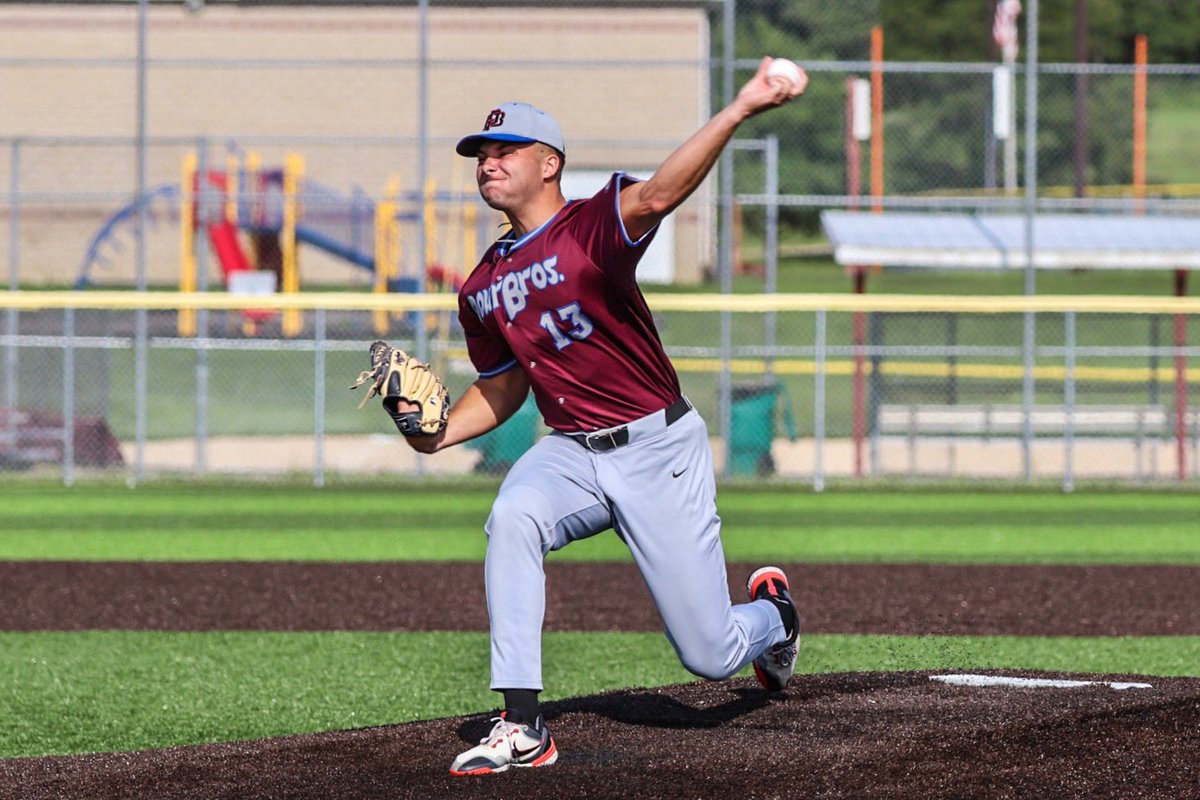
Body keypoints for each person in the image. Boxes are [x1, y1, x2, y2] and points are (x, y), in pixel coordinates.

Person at [397, 57, 807, 776]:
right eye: (481, 155)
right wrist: (434, 434)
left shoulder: (591, 226)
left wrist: (740, 108)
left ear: (549, 163)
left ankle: (776, 618)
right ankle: (522, 723)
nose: (487, 163)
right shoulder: (484, 284)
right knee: (514, 515)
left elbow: (658, 194)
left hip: (657, 448)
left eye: (504, 151)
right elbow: (500, 388)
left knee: (710, 655)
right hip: (573, 453)